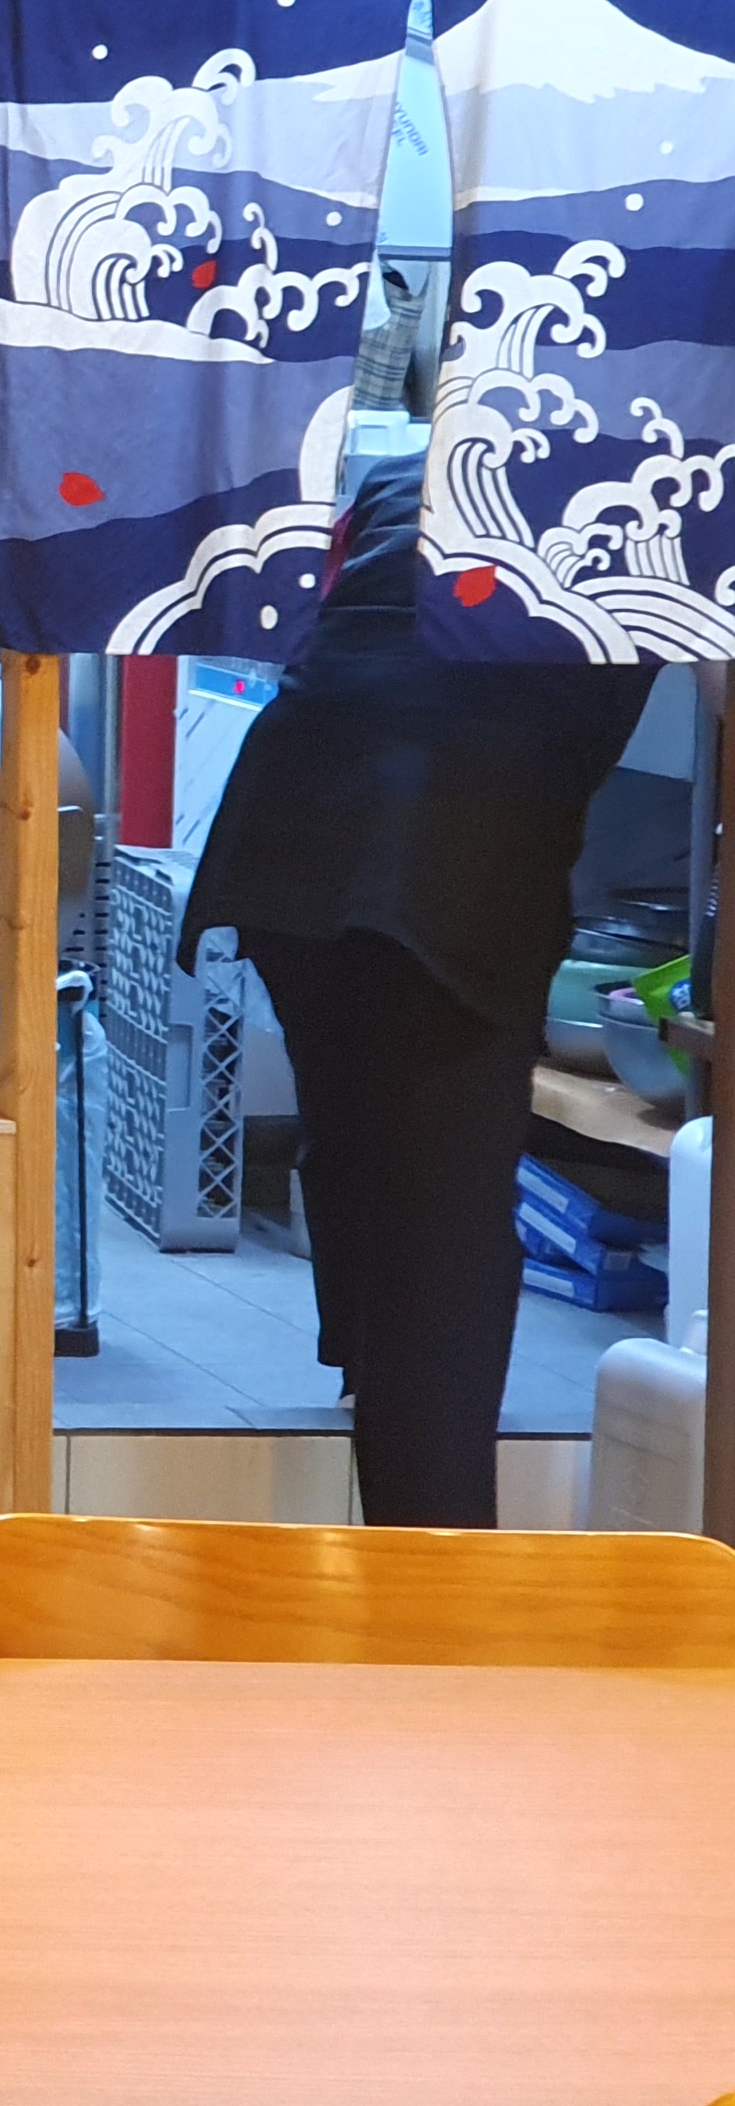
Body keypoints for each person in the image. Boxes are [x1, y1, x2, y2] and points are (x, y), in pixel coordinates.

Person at [182, 460, 656, 1528]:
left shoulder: (416, 465)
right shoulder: (678, 488)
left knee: (358, 1134)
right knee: (445, 1235)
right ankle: (433, 1564)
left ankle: (365, 1379)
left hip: (288, 817)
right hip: (446, 846)